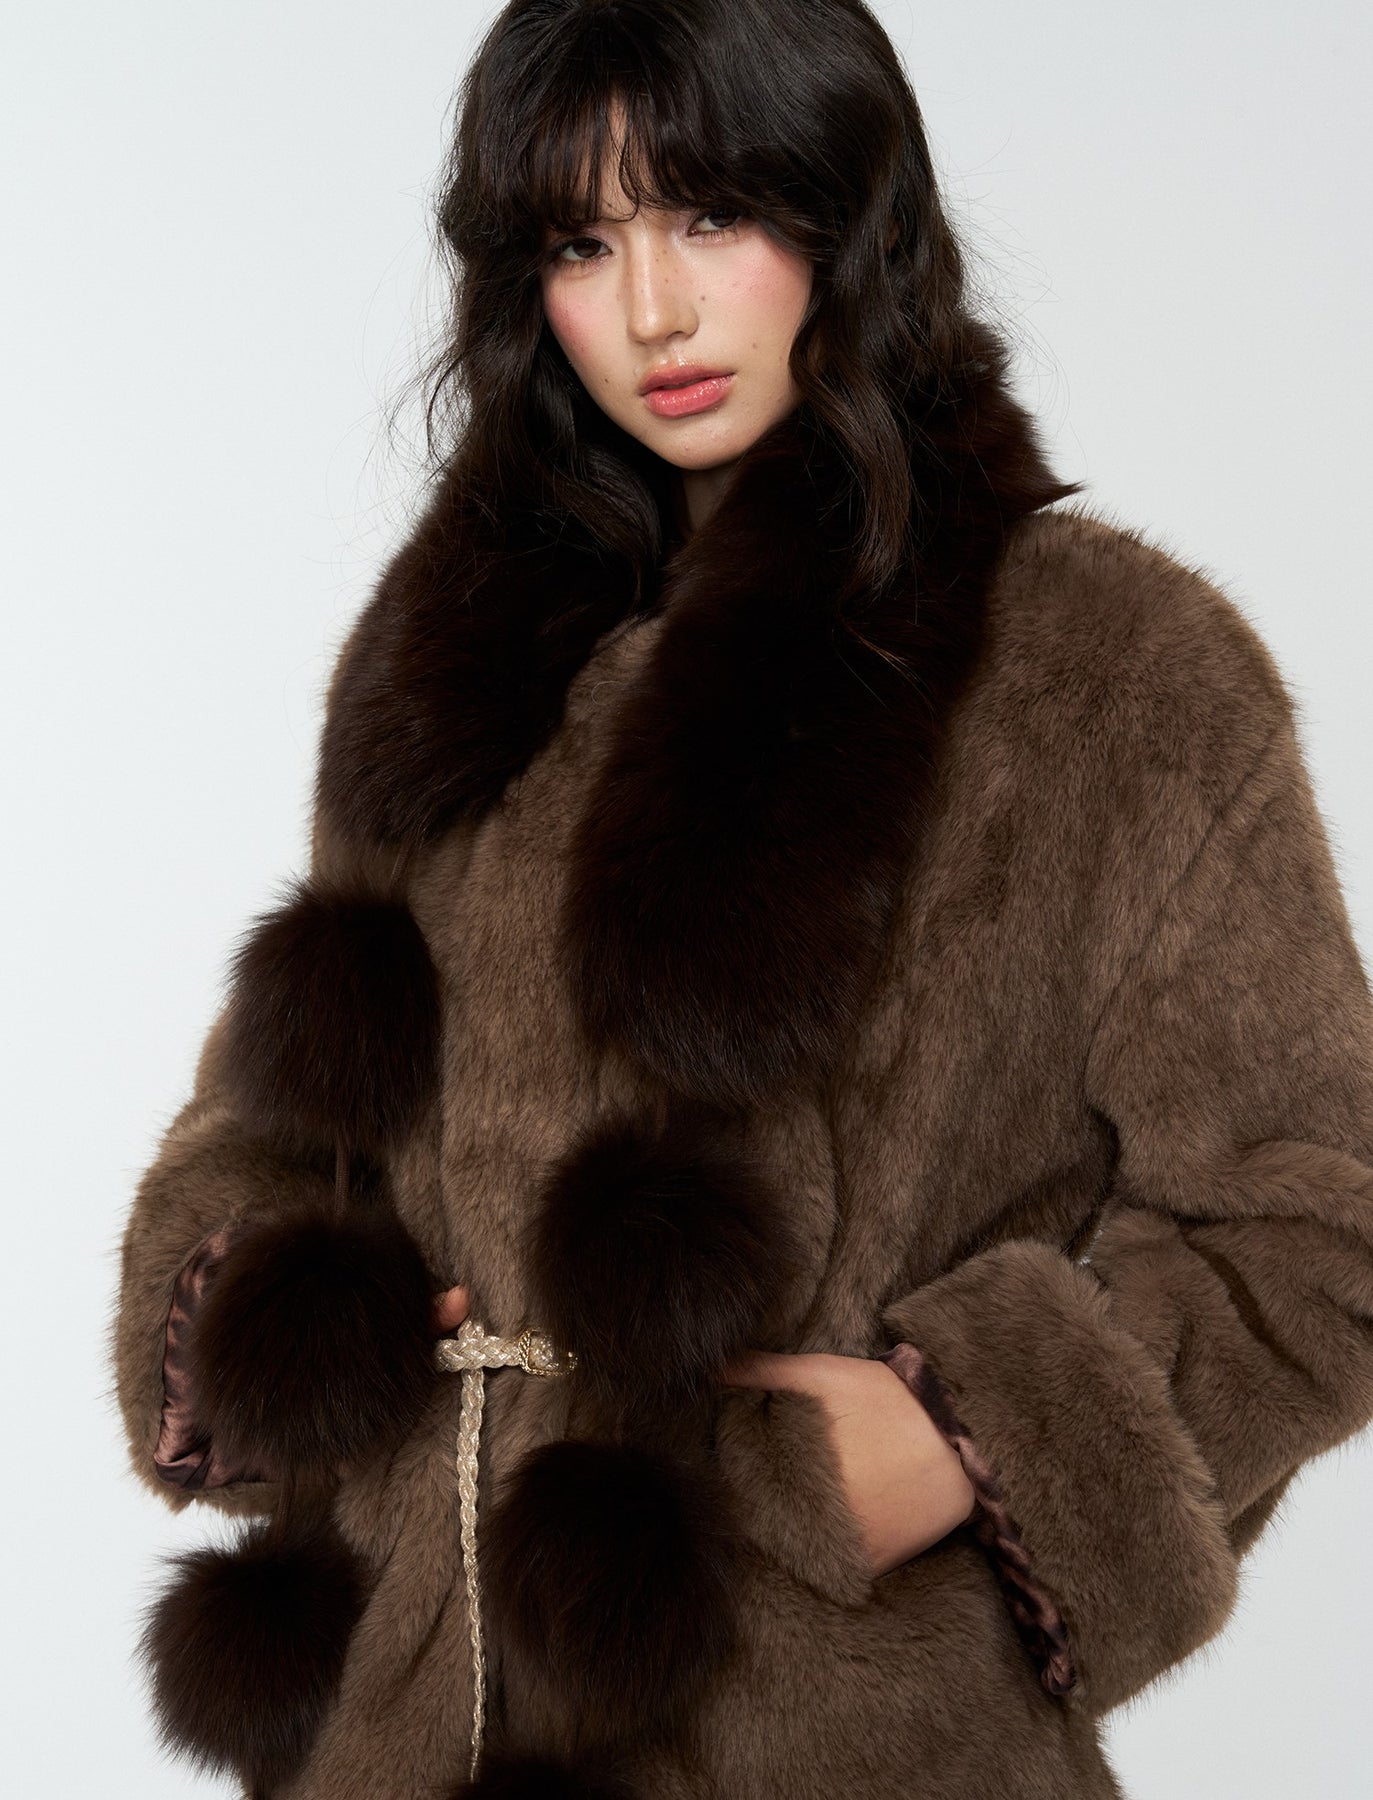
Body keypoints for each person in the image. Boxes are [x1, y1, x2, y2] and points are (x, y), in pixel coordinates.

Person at [111, 2, 1373, 1797]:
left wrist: (973, 1433)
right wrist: (273, 1299)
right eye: (581, 242)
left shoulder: (1110, 676)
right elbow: (277, 1117)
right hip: (405, 1724)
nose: (651, 311)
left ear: (848, 213)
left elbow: (1319, 1224)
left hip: (843, 1740)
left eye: (710, 215)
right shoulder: (447, 671)